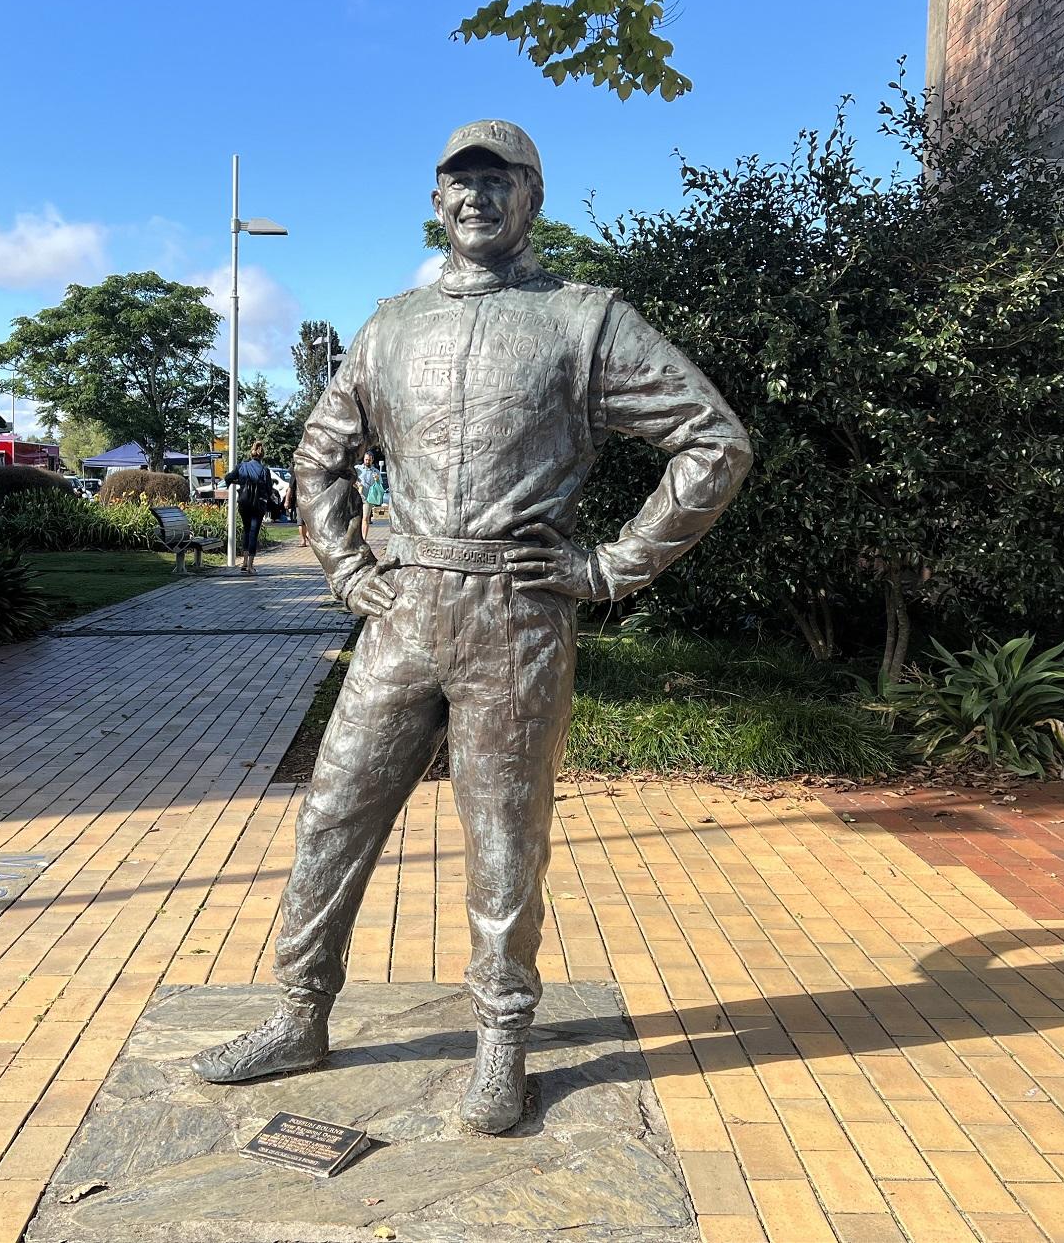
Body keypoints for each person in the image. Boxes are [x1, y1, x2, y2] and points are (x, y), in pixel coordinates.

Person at [190, 119, 751, 1133]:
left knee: (502, 834)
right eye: (460, 183)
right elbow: (317, 454)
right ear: (436, 200)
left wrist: (613, 565)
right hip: (402, 612)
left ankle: (500, 1042)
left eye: (500, 181)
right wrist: (348, 565)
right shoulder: (390, 325)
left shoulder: (587, 321)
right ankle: (298, 1011)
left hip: (516, 617)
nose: (477, 198)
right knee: (331, 816)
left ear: (533, 197)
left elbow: (712, 441)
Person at [227, 441, 275, 575]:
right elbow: (269, 489)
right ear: (262, 455)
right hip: (258, 505)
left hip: (244, 503)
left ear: (251, 453)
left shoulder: (241, 466)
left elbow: (228, 478)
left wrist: (240, 482)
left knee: (246, 531)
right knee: (254, 532)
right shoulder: (265, 471)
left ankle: (244, 562)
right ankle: (250, 565)